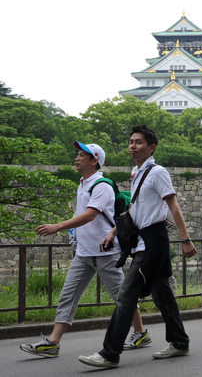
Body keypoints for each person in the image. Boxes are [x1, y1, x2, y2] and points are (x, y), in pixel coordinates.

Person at [78, 125, 198, 368]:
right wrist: (114, 231)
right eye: (131, 142)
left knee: (126, 295)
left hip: (153, 241)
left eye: (139, 142)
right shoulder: (138, 172)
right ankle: (180, 342)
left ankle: (109, 353)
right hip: (144, 239)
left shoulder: (157, 172)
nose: (133, 146)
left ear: (151, 147)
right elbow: (136, 209)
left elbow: (173, 206)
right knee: (162, 294)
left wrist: (186, 240)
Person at [21, 141, 151, 358]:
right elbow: (83, 216)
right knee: (68, 295)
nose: (77, 158)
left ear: (94, 160)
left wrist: (58, 226)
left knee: (122, 297)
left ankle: (140, 332)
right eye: (78, 154)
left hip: (105, 253)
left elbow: (90, 214)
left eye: (82, 155)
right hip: (84, 253)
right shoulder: (82, 184)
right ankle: (53, 342)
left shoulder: (101, 185)